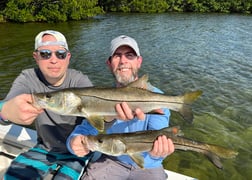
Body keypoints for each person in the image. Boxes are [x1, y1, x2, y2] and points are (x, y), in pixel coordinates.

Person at [67, 35, 175, 180]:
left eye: (129, 55)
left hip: (149, 165)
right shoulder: (99, 97)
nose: (123, 61)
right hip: (112, 160)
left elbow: (160, 135)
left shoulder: (158, 98)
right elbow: (84, 130)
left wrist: (159, 152)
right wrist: (73, 143)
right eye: (117, 56)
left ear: (139, 61)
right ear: (109, 63)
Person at [2, 30, 94, 180]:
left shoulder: (80, 82)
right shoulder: (27, 78)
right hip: (43, 149)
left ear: (68, 57)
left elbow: (95, 121)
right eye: (45, 54)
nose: (53, 60)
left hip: (77, 152)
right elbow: (7, 104)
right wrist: (5, 110)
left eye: (60, 54)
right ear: (36, 57)